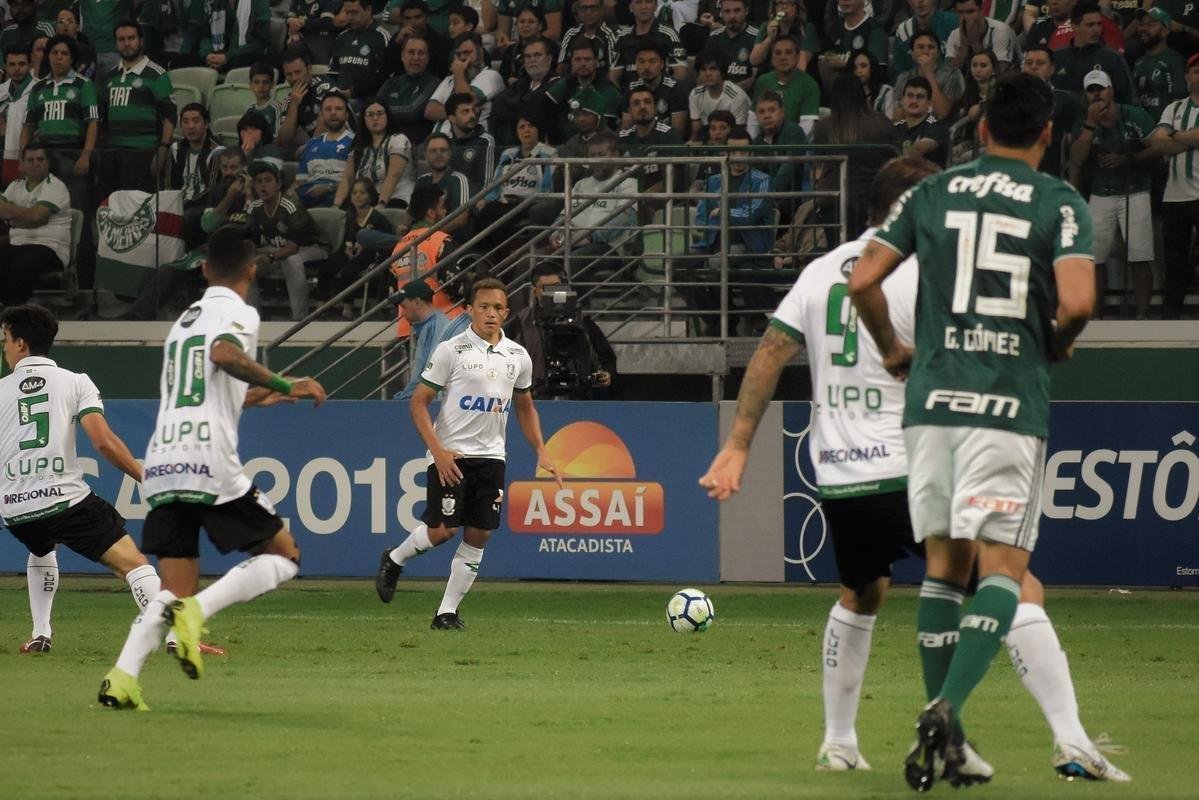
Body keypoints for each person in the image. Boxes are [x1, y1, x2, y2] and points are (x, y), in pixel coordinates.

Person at [698, 155, 1132, 783]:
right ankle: (1069, 740)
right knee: (1014, 585)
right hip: (916, 461)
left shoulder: (821, 269)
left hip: (841, 473)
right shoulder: (930, 268)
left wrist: (738, 444)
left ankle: (838, 743)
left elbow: (770, 351)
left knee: (863, 592)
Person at [847, 72, 1113, 789]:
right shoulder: (1058, 202)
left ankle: (950, 740)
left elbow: (862, 280)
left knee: (942, 566)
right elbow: (1078, 302)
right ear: (1048, 134)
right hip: (1005, 402)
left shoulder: (929, 193)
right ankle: (946, 708)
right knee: (1002, 569)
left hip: (931, 403)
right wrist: (1053, 342)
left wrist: (893, 349)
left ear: (983, 128)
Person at [97, 225, 327, 711]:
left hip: (163, 461)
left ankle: (121, 679)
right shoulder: (239, 312)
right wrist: (286, 384)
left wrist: (262, 396)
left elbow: (213, 387)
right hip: (207, 458)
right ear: (252, 270)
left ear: (203, 269)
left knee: (172, 589)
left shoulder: (185, 321)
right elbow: (225, 355)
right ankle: (197, 613)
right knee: (285, 555)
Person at [374, 277, 560, 630]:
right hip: (452, 455)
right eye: (484, 307)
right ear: (470, 310)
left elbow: (525, 407)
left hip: (493, 457)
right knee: (443, 530)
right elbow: (418, 403)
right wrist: (438, 451)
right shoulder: (451, 350)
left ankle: (446, 613)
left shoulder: (517, 356)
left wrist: (541, 449)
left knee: (479, 534)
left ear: (506, 312)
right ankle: (395, 558)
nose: (491, 313)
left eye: (498, 308)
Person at [0, 304, 160, 655]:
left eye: (5, 340)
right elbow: (103, 442)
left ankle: (41, 633)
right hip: (65, 502)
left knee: (41, 546)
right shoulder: (76, 382)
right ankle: (179, 637)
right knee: (135, 564)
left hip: (16, 512)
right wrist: (146, 478)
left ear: (21, 343)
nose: (4, 348)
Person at [1068, 70, 1157, 319]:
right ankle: (1094, 316)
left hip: (1135, 190)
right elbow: (1077, 159)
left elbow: (1158, 147)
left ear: (1111, 90)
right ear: (1085, 95)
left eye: (1101, 88)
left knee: (1140, 254)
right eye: (1091, 90)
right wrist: (1089, 124)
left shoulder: (1134, 115)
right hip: (1100, 193)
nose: (1097, 94)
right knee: (1093, 257)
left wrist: (1128, 158)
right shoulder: (1083, 122)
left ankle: (1142, 316)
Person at [503, 261, 616, 398]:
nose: (552, 293)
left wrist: (607, 374)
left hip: (579, 397)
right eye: (545, 288)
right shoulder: (521, 322)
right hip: (535, 398)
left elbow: (607, 357)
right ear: (534, 291)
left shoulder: (582, 320)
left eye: (556, 287)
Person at [1146, 53, 1199, 319]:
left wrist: (1174, 135)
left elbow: (1168, 137)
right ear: (1187, 77)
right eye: (1196, 71)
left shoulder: (1174, 116)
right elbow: (1157, 142)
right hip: (1174, 197)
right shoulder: (1175, 108)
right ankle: (1170, 314)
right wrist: (1188, 140)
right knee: (1174, 260)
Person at [97, 20, 175, 199]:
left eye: (131, 38)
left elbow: (170, 115)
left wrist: (163, 148)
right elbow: (101, 117)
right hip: (113, 154)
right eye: (121, 39)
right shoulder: (110, 76)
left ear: (141, 40)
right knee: (113, 205)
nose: (126, 43)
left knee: (140, 206)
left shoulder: (157, 73)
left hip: (144, 153)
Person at [245, 159, 325, 320]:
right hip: (277, 249)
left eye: (268, 180)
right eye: (259, 181)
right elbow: (250, 239)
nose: (263, 185)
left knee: (292, 261)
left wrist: (269, 257)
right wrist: (254, 255)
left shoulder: (290, 206)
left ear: (278, 184)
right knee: (245, 263)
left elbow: (293, 247)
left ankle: (299, 319)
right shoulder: (255, 207)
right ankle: (253, 318)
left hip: (311, 248)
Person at [0, 145, 71, 304]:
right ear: (23, 163)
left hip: (50, 247)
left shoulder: (56, 186)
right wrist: (27, 215)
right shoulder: (15, 185)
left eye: (40, 159)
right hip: (18, 244)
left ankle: (13, 309)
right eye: (30, 160)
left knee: (21, 267)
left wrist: (12, 216)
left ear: (48, 162)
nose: (35, 164)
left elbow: (37, 216)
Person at [390, 184, 463, 336]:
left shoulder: (399, 245)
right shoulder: (440, 240)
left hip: (408, 328)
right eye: (442, 207)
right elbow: (454, 285)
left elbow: (392, 288)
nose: (445, 211)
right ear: (431, 213)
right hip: (444, 325)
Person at [319, 177, 395, 317]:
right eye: (354, 193)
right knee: (326, 266)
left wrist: (366, 246)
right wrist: (347, 248)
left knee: (348, 271)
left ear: (370, 196)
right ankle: (321, 304)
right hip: (352, 251)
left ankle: (348, 307)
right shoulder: (350, 216)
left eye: (362, 193)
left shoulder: (378, 218)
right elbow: (346, 239)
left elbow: (386, 243)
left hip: (371, 254)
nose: (357, 196)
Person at [395, 278, 470, 400]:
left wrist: (403, 399)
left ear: (417, 303)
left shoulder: (437, 327)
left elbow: (429, 379)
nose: (402, 313)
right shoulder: (430, 326)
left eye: (404, 306)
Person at [333, 99, 414, 210]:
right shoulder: (359, 145)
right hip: (367, 202)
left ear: (387, 116)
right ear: (364, 119)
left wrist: (381, 204)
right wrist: (336, 206)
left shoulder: (398, 139)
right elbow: (347, 179)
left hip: (396, 199)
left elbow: (393, 175)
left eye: (380, 113)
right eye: (370, 115)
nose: (375, 118)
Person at [1052, 3, 1134, 103]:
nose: (1097, 30)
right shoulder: (1057, 57)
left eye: (1099, 24)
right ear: (1074, 26)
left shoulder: (1113, 58)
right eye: (1090, 25)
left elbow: (1128, 99)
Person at [1022, 45, 1081, 179]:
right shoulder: (1011, 100)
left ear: (1052, 69)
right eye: (1029, 63)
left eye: (1040, 63)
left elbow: (1074, 148)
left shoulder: (1065, 100)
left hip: (1052, 176)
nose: (1034, 67)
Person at [426, 32, 504, 130]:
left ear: (480, 52)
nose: (462, 58)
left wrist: (458, 72)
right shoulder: (449, 80)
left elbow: (463, 102)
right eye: (458, 54)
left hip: (473, 138)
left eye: (467, 53)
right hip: (439, 137)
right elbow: (429, 111)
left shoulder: (491, 76)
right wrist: (458, 113)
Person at [377, 33, 440, 147]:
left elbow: (412, 111)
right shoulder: (390, 83)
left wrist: (383, 112)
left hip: (415, 145)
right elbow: (374, 108)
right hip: (385, 142)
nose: (416, 57)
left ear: (427, 58)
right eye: (411, 52)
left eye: (421, 53)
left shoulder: (434, 84)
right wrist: (379, 112)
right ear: (402, 56)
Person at [293, 92, 354, 208]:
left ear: (347, 115)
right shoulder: (311, 144)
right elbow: (299, 182)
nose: (333, 113)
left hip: (340, 198)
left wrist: (329, 187)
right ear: (321, 115)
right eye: (328, 109)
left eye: (338, 109)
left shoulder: (356, 143)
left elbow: (357, 183)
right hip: (308, 196)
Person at [619, 40, 688, 140]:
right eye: (641, 62)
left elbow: (678, 132)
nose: (646, 67)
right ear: (635, 64)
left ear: (662, 64)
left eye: (652, 61)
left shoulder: (675, 88)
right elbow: (626, 127)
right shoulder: (631, 88)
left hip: (666, 142)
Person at [751, 35, 819, 136]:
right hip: (765, 140)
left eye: (788, 53)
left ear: (797, 57)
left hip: (795, 141)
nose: (783, 57)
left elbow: (807, 125)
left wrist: (790, 143)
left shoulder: (809, 84)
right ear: (772, 57)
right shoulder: (762, 81)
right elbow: (753, 119)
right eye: (778, 53)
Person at [609, 0, 688, 87]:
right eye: (638, 2)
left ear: (656, 6)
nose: (644, 7)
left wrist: (663, 93)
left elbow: (681, 74)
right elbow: (613, 77)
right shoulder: (622, 37)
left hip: (662, 92)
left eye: (648, 2)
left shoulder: (669, 35)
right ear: (630, 7)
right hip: (629, 93)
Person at [181, 0, 272, 72]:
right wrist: (208, 54)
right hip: (219, 53)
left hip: (245, 55)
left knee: (237, 63)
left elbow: (261, 41)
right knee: (184, 61)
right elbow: (207, 35)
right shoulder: (215, 3)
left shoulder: (259, 2)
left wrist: (227, 56)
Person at [893, 31, 964, 123]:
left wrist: (929, 74)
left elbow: (943, 113)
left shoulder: (952, 74)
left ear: (938, 53)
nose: (926, 52)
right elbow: (898, 115)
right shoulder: (903, 78)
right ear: (912, 53)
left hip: (941, 127)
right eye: (920, 47)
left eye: (931, 47)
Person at [329, 0, 392, 99]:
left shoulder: (381, 37)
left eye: (354, 12)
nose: (350, 17)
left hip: (369, 99)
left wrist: (353, 93)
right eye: (347, 12)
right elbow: (333, 72)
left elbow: (384, 77)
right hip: (340, 99)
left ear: (368, 10)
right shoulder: (342, 37)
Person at [1134, 8, 1186, 126]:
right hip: (1140, 130)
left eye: (1150, 25)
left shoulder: (1174, 60)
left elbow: (1179, 101)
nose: (1143, 29)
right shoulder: (1138, 62)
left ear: (1164, 31)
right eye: (1141, 25)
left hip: (1164, 130)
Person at [439, 92, 496, 196]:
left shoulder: (485, 140)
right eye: (465, 111)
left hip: (473, 201)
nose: (472, 115)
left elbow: (487, 184)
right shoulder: (446, 143)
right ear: (452, 118)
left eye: (472, 110)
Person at [415, 132, 472, 235]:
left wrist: (431, 236)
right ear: (425, 156)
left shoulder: (458, 179)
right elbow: (411, 214)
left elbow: (461, 218)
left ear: (450, 154)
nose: (438, 154)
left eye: (443, 150)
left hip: (450, 240)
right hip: (421, 238)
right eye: (433, 151)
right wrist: (402, 227)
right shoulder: (421, 181)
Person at [278, 46, 335, 149]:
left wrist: (309, 150)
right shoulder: (290, 100)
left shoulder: (324, 86)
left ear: (308, 68)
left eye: (298, 72)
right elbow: (285, 141)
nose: (294, 78)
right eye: (289, 74)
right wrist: (293, 105)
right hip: (316, 148)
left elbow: (330, 123)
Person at [689, 48, 751, 141]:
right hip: (708, 140)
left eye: (713, 69)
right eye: (703, 69)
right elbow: (696, 132)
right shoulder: (695, 94)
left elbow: (738, 135)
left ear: (722, 72)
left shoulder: (737, 96)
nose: (707, 74)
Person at [891, 0, 958, 82]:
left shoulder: (953, 22)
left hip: (948, 83)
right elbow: (898, 74)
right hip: (915, 85)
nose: (920, 1)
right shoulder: (903, 31)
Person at [945, 0, 1016, 72]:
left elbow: (1000, 70)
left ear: (981, 9)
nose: (965, 17)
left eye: (970, 12)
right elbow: (948, 73)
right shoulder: (955, 35)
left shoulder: (1001, 31)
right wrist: (963, 48)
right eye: (960, 12)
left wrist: (975, 42)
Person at [894, 77, 950, 167]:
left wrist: (891, 157)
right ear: (902, 101)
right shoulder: (895, 127)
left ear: (929, 103)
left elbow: (920, 149)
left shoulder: (937, 126)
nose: (914, 101)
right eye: (910, 96)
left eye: (920, 97)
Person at [1, 42, 34, 187]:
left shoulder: (38, 90)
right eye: (12, 64)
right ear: (5, 66)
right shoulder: (1, 90)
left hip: (24, 154)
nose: (17, 69)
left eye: (21, 64)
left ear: (30, 65)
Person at [750, 0, 818, 71]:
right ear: (774, 7)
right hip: (770, 74)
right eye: (780, 3)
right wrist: (769, 38)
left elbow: (800, 67)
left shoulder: (806, 28)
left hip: (794, 75)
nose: (784, 7)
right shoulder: (766, 27)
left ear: (797, 7)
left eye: (789, 3)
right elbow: (754, 61)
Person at [705, 0, 757, 92]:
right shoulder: (714, 37)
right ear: (721, 13)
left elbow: (754, 78)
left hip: (745, 96)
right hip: (715, 95)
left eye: (737, 10)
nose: (732, 16)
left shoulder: (756, 37)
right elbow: (704, 73)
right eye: (727, 11)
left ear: (746, 11)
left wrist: (727, 94)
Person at [556, 0, 617, 76]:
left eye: (593, 8)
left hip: (603, 80)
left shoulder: (611, 34)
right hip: (576, 80)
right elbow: (562, 67)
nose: (588, 12)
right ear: (578, 11)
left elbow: (614, 69)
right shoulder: (571, 33)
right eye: (584, 8)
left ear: (601, 10)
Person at [286, 0, 343, 64]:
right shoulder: (297, 2)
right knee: (292, 44)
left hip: (321, 38)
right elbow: (289, 18)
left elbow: (327, 21)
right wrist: (291, 22)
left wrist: (303, 23)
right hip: (301, 36)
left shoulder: (327, 2)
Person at [851, 48, 895, 120]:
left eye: (863, 66)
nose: (858, 71)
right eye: (855, 68)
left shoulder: (886, 92)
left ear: (872, 67)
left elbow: (889, 122)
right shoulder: (848, 92)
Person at [246, 61, 281, 137]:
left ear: (272, 84)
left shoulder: (276, 108)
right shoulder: (249, 109)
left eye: (265, 82)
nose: (261, 86)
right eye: (256, 82)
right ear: (251, 85)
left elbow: (278, 137)